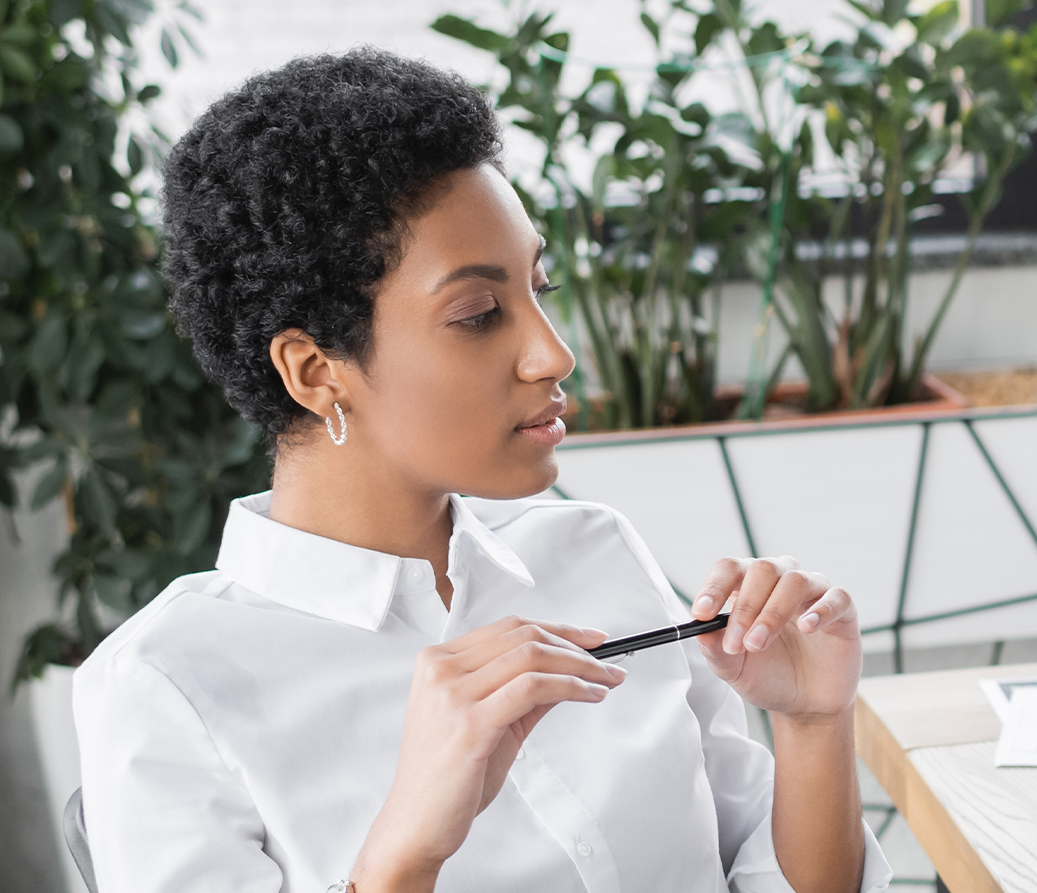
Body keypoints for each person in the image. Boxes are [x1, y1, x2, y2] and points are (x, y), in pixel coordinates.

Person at [72, 48, 894, 893]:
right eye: (477, 314)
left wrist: (811, 721)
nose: (554, 352)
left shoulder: (593, 549)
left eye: (540, 285)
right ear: (317, 371)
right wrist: (405, 849)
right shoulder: (165, 687)